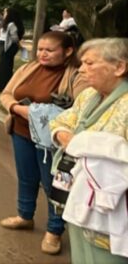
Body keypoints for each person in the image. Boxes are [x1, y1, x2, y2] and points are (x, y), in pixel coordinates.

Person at [0, 31, 87, 255]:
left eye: (49, 50)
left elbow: (82, 110)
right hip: (21, 132)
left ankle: (55, 230)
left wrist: (46, 117)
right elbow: (7, 93)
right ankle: (24, 215)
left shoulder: (77, 76)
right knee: (26, 178)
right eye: (40, 49)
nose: (42, 54)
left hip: (52, 143)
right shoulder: (29, 68)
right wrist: (18, 109)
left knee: (53, 185)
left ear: (68, 51)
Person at [49, 38, 128, 262]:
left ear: (119, 67)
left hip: (111, 213)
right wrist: (72, 141)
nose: (82, 70)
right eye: (82, 63)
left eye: (90, 63)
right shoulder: (87, 96)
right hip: (77, 198)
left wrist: (85, 145)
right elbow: (60, 122)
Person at [0, 8, 25, 95]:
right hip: (2, 44)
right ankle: (3, 85)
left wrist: (18, 45)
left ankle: (4, 86)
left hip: (8, 47)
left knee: (4, 67)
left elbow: (14, 37)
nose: (4, 14)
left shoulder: (11, 24)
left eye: (5, 12)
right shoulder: (5, 23)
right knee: (3, 66)